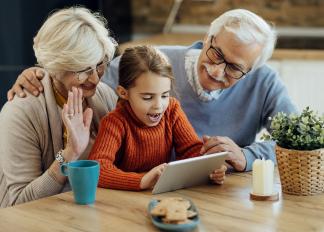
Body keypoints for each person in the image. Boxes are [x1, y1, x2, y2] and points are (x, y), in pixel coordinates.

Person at [7, 9, 297, 172]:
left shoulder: (265, 83)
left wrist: (247, 156)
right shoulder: (152, 61)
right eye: (216, 54)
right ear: (208, 36)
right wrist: (41, 73)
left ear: (252, 69)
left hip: (220, 192)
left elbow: (299, 145)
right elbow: (82, 75)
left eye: (234, 68)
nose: (217, 71)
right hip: (146, 193)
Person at [0, 7, 117, 208]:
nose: (95, 78)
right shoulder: (20, 113)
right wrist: (71, 152)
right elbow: (17, 202)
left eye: (99, 63)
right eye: (83, 70)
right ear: (54, 67)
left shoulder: (104, 95)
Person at [87, 45, 226, 190]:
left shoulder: (171, 110)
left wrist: (209, 167)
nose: (159, 106)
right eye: (147, 97)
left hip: (161, 194)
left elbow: (190, 150)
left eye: (165, 95)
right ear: (123, 93)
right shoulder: (114, 122)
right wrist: (141, 180)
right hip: (123, 200)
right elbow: (96, 169)